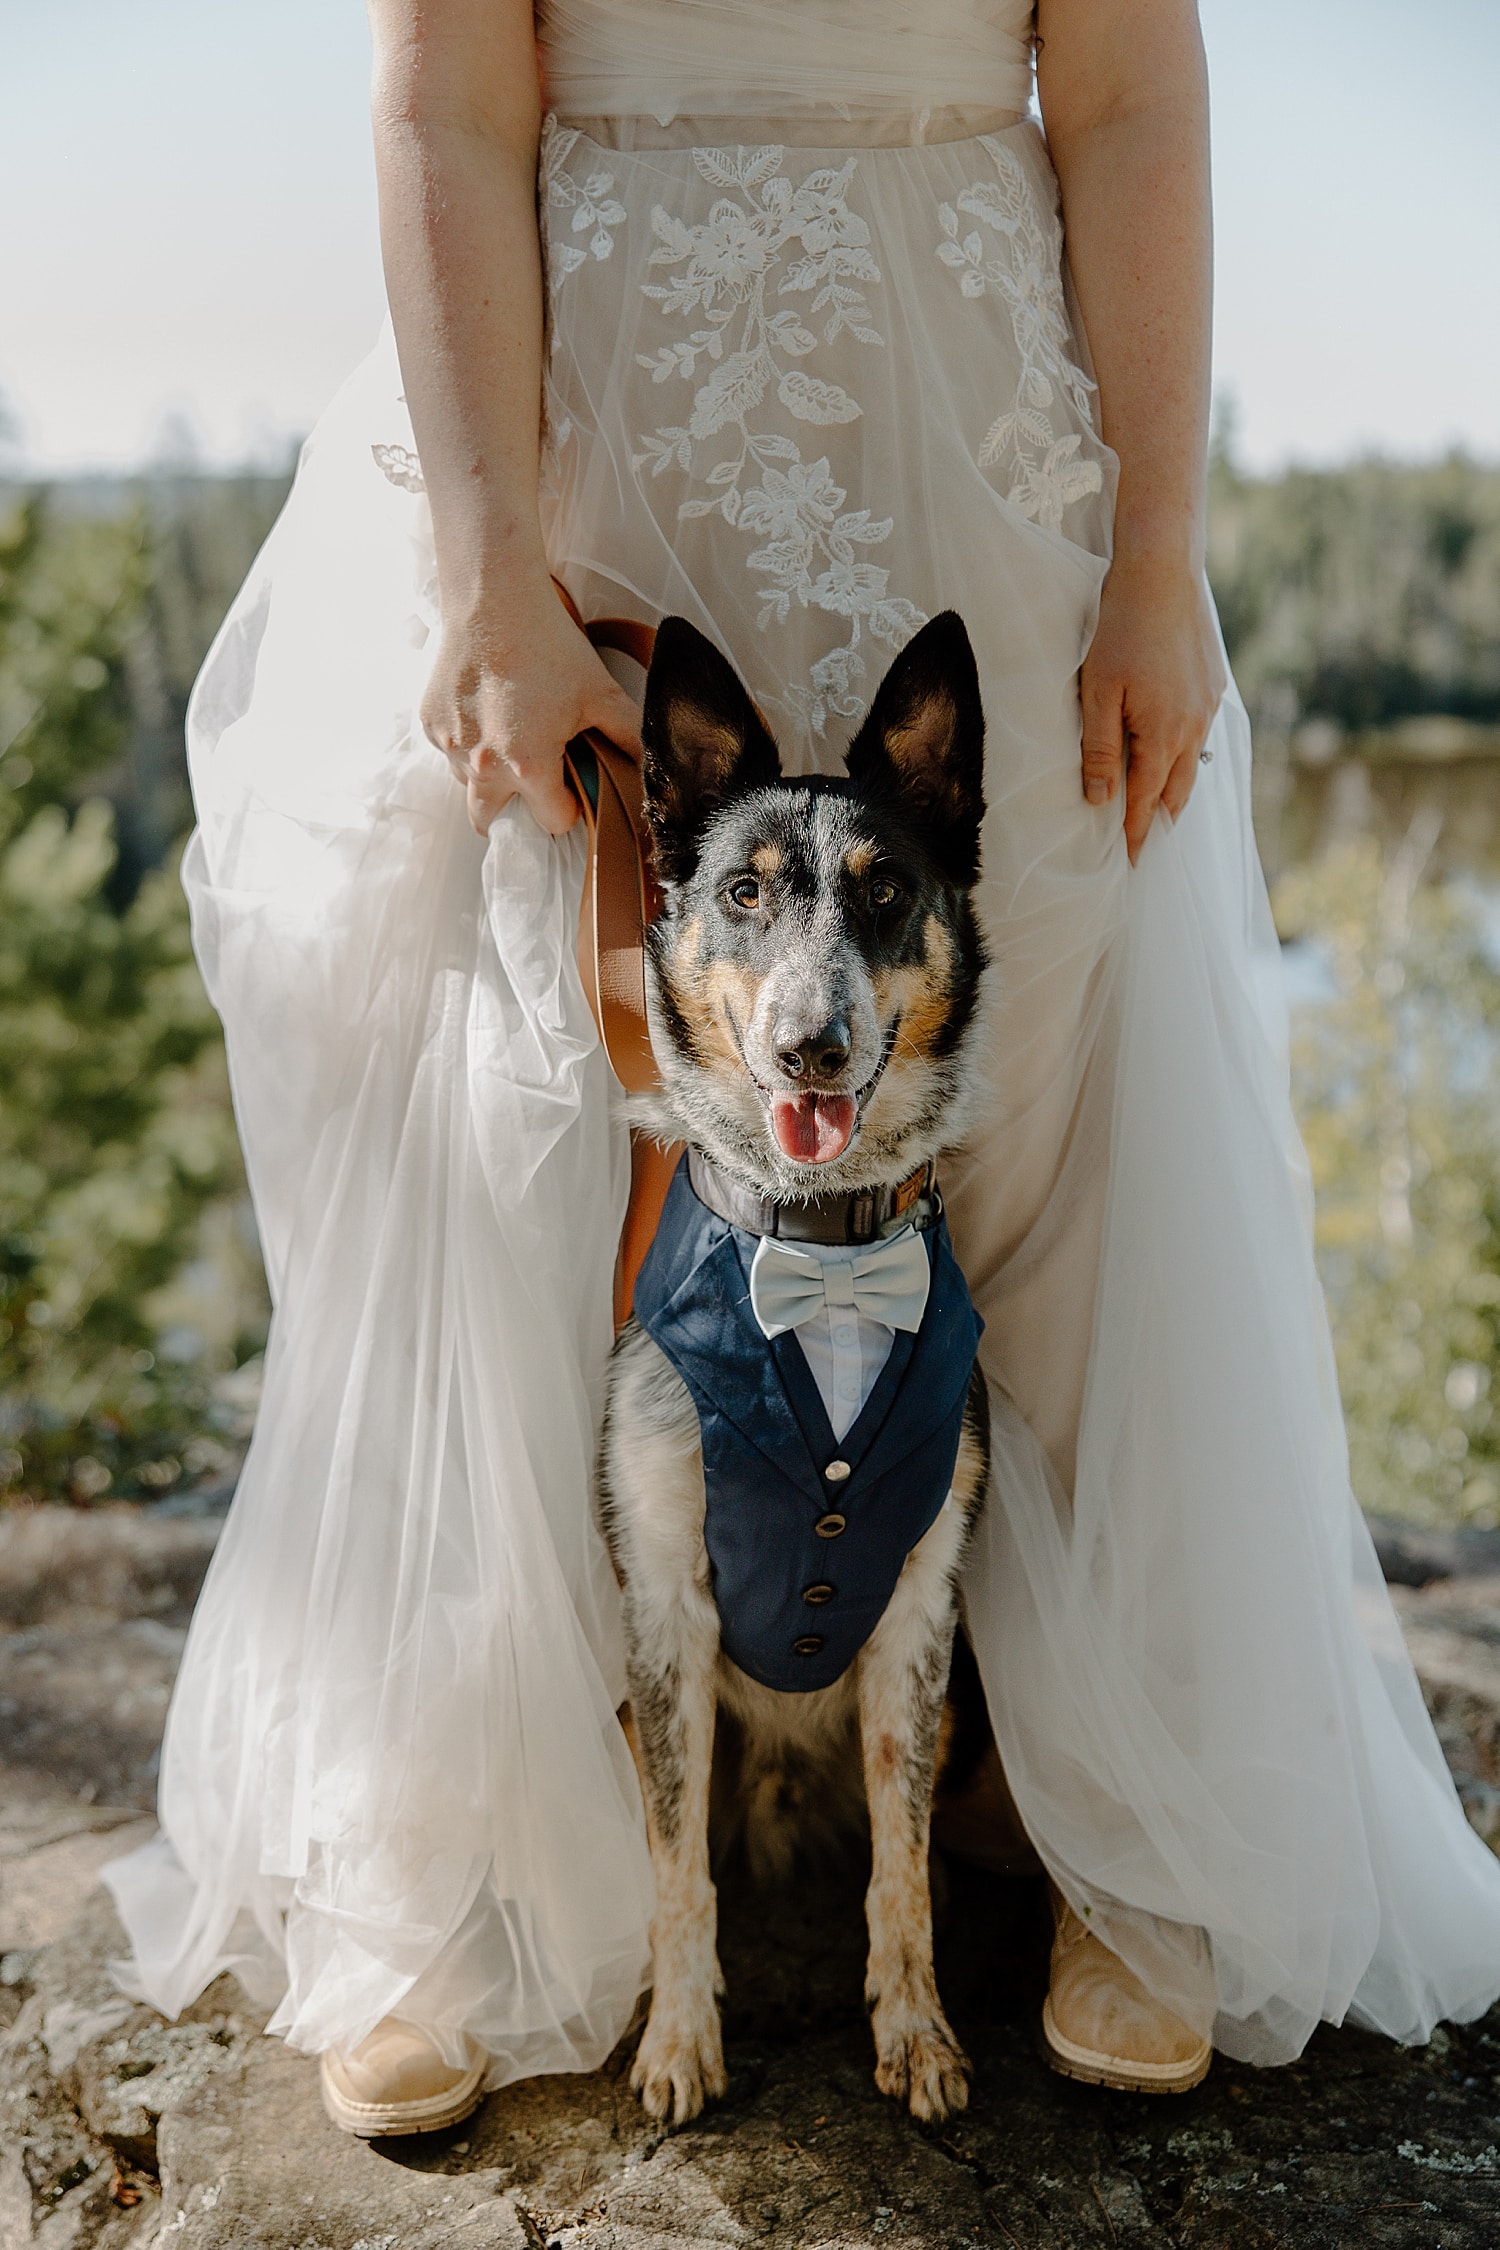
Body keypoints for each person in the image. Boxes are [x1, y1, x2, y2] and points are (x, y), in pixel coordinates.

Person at [106, 0, 1500, 2132]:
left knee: (1059, 1112)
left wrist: (1149, 553)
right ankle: (455, 1863)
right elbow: (443, 95)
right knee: (528, 1121)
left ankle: (1115, 1833)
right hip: (578, 415)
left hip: (978, 424)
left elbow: (1126, 90)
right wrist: (488, 561)